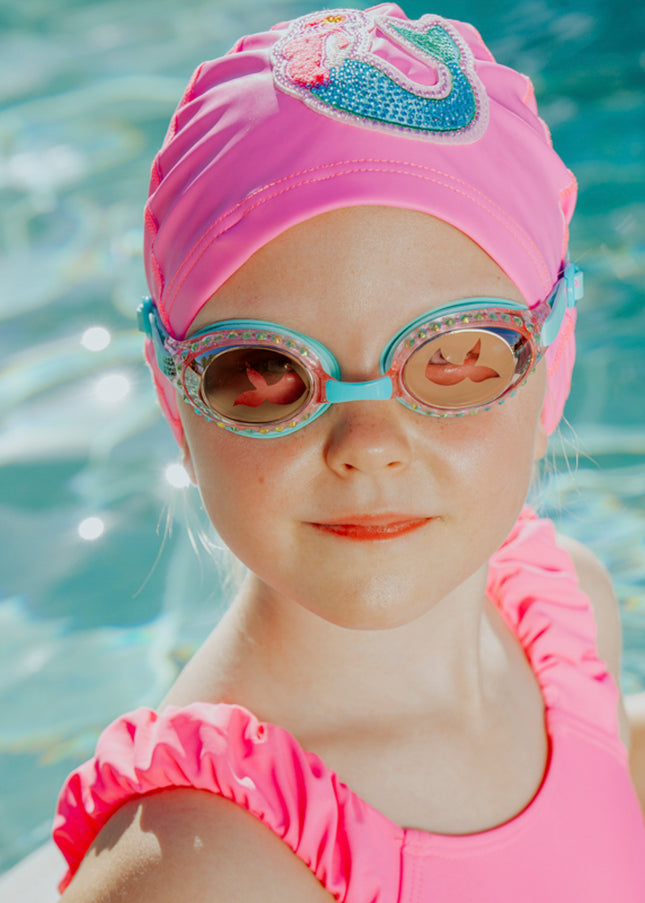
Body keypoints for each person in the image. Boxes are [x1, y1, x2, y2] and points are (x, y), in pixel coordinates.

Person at [52, 6, 645, 900]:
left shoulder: (565, 621)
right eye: (263, 369)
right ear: (175, 396)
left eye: (454, 356)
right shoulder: (201, 868)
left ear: (550, 365)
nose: (366, 445)